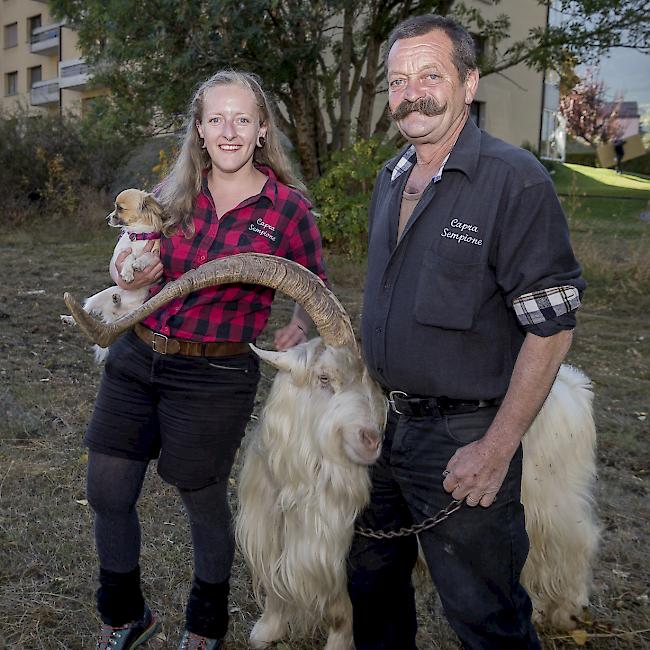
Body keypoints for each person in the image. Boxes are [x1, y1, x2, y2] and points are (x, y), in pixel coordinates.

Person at [347, 15, 585, 650]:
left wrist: (497, 446)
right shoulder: (392, 176)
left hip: (463, 440)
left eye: (431, 75)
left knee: (484, 615)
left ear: (469, 81)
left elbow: (552, 328)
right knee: (371, 585)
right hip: (388, 428)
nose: (412, 93)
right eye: (398, 81)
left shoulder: (514, 181)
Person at [84, 70, 327, 650]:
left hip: (214, 375)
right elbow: (132, 263)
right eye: (216, 118)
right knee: (107, 489)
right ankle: (124, 616)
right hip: (137, 357)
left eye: (243, 118)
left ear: (262, 130)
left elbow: (314, 283)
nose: (229, 130)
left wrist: (300, 322)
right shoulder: (173, 195)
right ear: (198, 129)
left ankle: (205, 627)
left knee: (200, 495)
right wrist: (132, 271)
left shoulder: (287, 210)